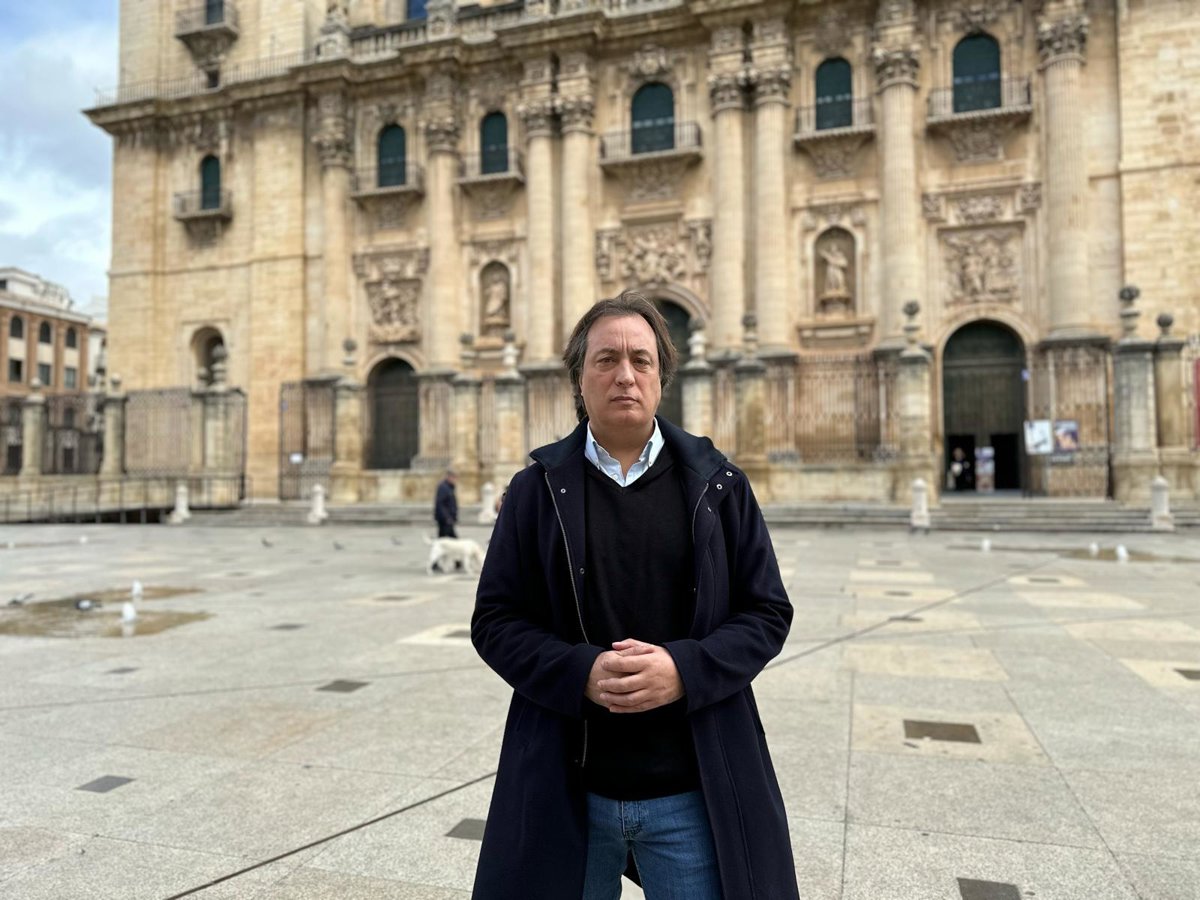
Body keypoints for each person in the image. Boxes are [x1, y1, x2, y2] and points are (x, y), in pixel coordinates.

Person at [471, 291, 798, 899]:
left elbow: (767, 611)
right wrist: (579, 672)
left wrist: (684, 669)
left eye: (641, 359)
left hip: (692, 792)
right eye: (606, 359)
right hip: (567, 790)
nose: (625, 374)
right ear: (579, 377)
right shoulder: (534, 491)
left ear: (661, 376)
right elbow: (494, 620)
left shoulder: (720, 485)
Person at [434, 469, 458, 538]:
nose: (454, 480)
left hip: (448, 519)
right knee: (450, 539)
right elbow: (440, 504)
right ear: (448, 477)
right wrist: (446, 517)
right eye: (453, 477)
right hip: (445, 520)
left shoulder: (449, 487)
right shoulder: (443, 487)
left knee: (443, 538)